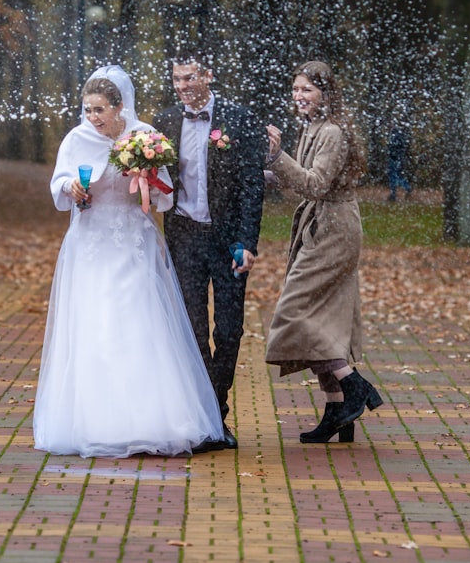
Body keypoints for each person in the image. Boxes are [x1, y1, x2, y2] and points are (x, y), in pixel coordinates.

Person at [33, 65, 224, 458]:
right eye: (87, 110)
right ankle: (96, 420)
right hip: (90, 244)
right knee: (96, 323)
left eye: (99, 109)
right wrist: (71, 188)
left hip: (134, 242)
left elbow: (167, 196)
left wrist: (147, 178)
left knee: (138, 320)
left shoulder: (144, 137)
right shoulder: (77, 138)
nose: (92, 118)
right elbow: (58, 185)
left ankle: (149, 419)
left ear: (120, 106)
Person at [151, 52, 266, 450]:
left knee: (229, 329)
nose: (182, 86)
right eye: (176, 79)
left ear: (208, 76)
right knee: (194, 329)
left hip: (230, 238)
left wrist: (248, 244)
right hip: (184, 235)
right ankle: (212, 414)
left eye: (189, 78)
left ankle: (216, 401)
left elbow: (254, 186)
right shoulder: (163, 122)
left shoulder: (239, 119)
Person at [264, 61, 382, 444]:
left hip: (332, 231)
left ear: (325, 95)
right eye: (296, 89)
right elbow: (300, 182)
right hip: (324, 225)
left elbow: (314, 185)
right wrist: (255, 166)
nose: (299, 96)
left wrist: (277, 156)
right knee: (327, 321)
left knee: (294, 312)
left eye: (307, 90)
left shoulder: (331, 132)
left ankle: (356, 387)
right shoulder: (313, 127)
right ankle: (337, 412)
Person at [386, 119, 412, 202]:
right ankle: (405, 189)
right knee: (396, 176)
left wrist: (393, 154)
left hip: (395, 158)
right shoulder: (396, 134)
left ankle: (395, 193)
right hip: (396, 158)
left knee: (394, 176)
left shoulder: (395, 135)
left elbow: (396, 146)